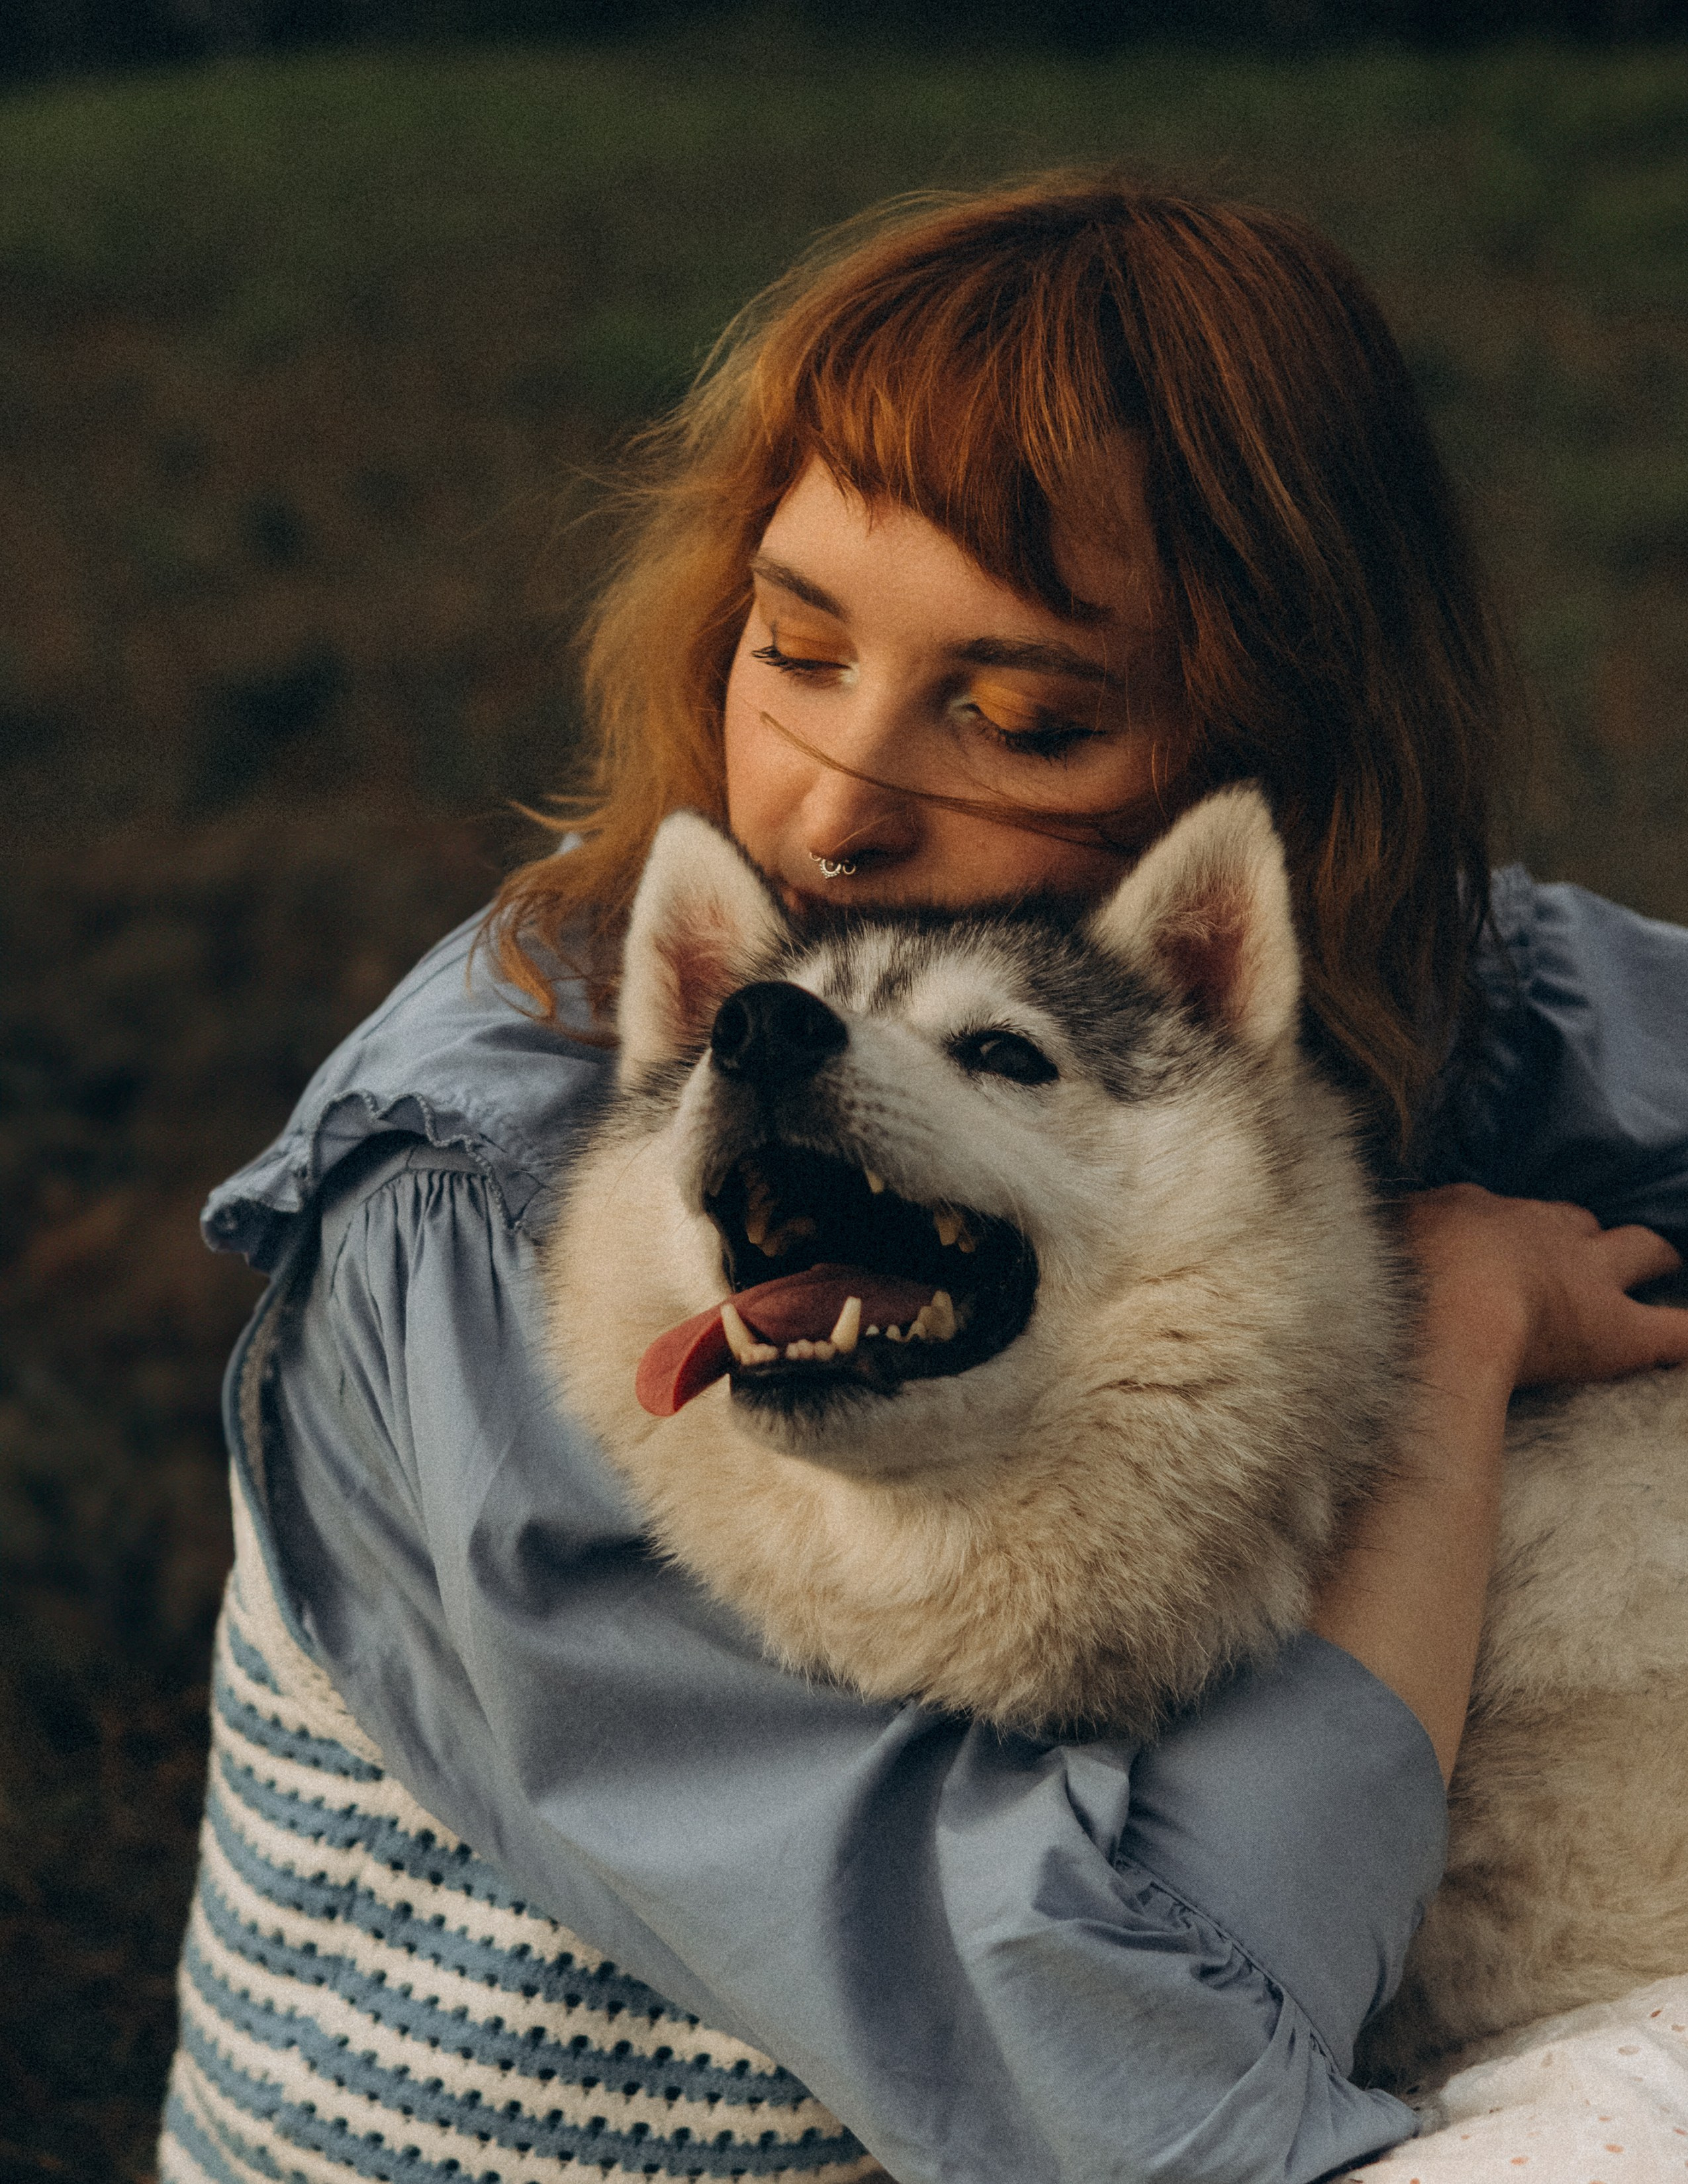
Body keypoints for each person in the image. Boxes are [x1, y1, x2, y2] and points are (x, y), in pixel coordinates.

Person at [158, 177, 1688, 2184]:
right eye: (792, 647)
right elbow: (1150, 2082)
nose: (832, 803)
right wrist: (1460, 1325)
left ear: (1285, 778)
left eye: (1022, 716)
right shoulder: (498, 1237)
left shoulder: (1376, 980)